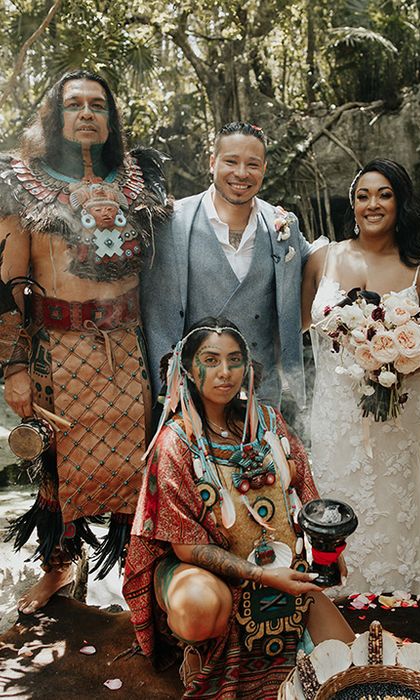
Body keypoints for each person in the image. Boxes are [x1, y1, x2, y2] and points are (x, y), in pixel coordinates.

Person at [0, 70, 169, 613]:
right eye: (75, 104)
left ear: (112, 117)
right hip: (57, 349)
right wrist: (14, 368)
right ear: (56, 114)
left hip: (128, 349)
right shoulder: (21, 181)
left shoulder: (141, 177)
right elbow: (8, 285)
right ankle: (59, 563)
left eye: (99, 104)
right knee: (57, 461)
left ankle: (139, 569)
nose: (88, 113)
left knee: (138, 462)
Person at [123, 317, 354, 698]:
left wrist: (328, 547)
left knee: (347, 667)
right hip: (202, 571)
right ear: (188, 370)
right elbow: (186, 547)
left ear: (248, 366)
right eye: (211, 360)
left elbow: (304, 483)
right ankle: (199, 648)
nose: (225, 372)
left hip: (278, 569)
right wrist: (263, 578)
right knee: (199, 606)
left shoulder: (267, 421)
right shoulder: (176, 443)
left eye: (234, 360)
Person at [301, 159, 420, 595]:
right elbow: (295, 324)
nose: (373, 204)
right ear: (352, 203)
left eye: (384, 194)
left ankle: (398, 590)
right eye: (363, 195)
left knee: (393, 500)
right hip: (335, 407)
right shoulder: (322, 258)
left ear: (400, 202)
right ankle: (333, 592)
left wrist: (404, 360)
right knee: (334, 489)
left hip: (400, 410)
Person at [142, 122, 311, 410]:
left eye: (253, 164)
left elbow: (320, 272)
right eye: (231, 161)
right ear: (212, 162)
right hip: (192, 394)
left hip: (263, 394)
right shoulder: (170, 223)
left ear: (264, 169)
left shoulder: (284, 227)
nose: (242, 173)